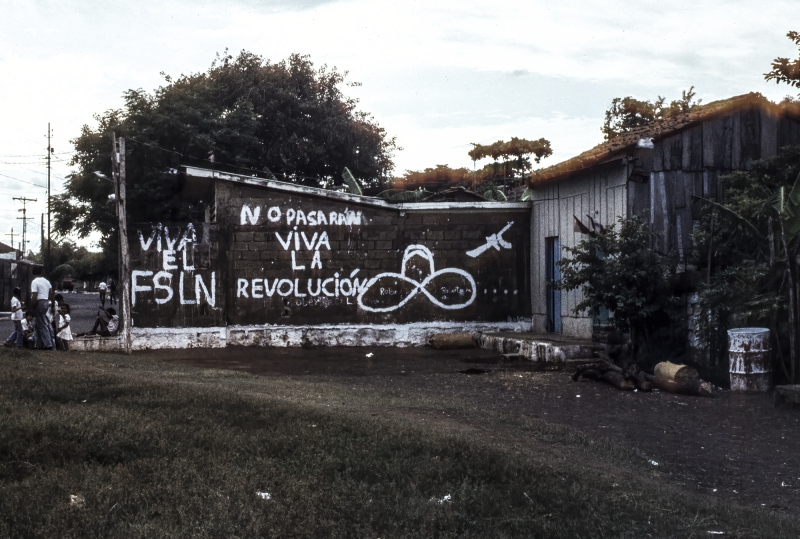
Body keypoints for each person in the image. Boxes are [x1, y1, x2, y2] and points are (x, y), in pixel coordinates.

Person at [29, 266, 54, 350]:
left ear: (32, 273)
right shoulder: (46, 281)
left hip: (39, 302)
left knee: (42, 324)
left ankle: (48, 344)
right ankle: (38, 344)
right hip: (46, 301)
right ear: (41, 272)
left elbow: (34, 296)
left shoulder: (34, 281)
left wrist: (32, 307)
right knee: (37, 324)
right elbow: (51, 293)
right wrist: (51, 304)